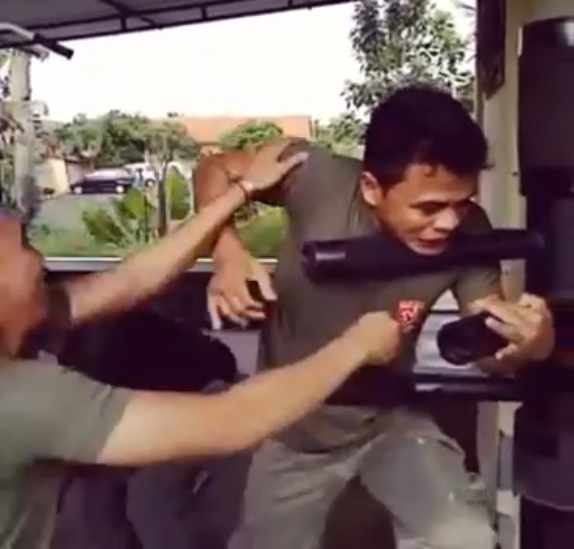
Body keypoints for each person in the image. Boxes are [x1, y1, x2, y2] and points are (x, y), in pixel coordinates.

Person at [193, 85, 556, 549]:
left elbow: (487, 350)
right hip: (295, 425)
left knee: (466, 539)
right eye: (428, 207)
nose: (449, 223)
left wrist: (531, 346)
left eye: (461, 203)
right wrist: (225, 251)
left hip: (388, 419)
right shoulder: (317, 177)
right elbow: (214, 168)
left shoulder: (471, 230)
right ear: (371, 188)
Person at [0, 142, 401, 549]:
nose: (41, 261)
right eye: (27, 247)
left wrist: (239, 202)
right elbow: (234, 419)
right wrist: (356, 347)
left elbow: (131, 281)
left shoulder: (29, 317)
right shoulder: (26, 399)